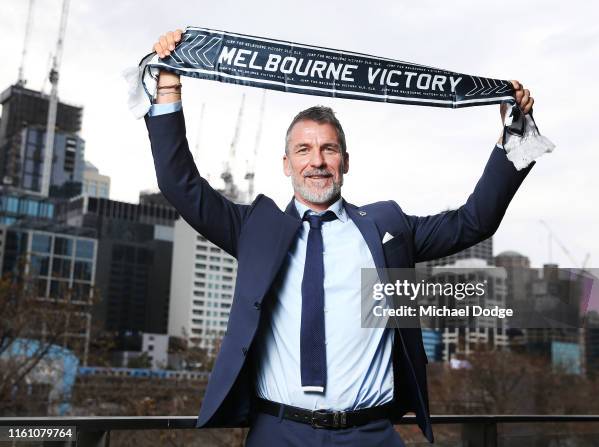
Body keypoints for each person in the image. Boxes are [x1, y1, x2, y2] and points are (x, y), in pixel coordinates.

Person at [146, 30, 536, 446]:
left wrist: (515, 132)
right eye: (303, 150)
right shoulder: (255, 229)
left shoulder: (388, 229)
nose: (317, 161)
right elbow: (180, 185)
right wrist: (169, 85)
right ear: (286, 164)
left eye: (328, 149)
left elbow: (474, 221)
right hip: (278, 433)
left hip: (370, 433)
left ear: (345, 161)